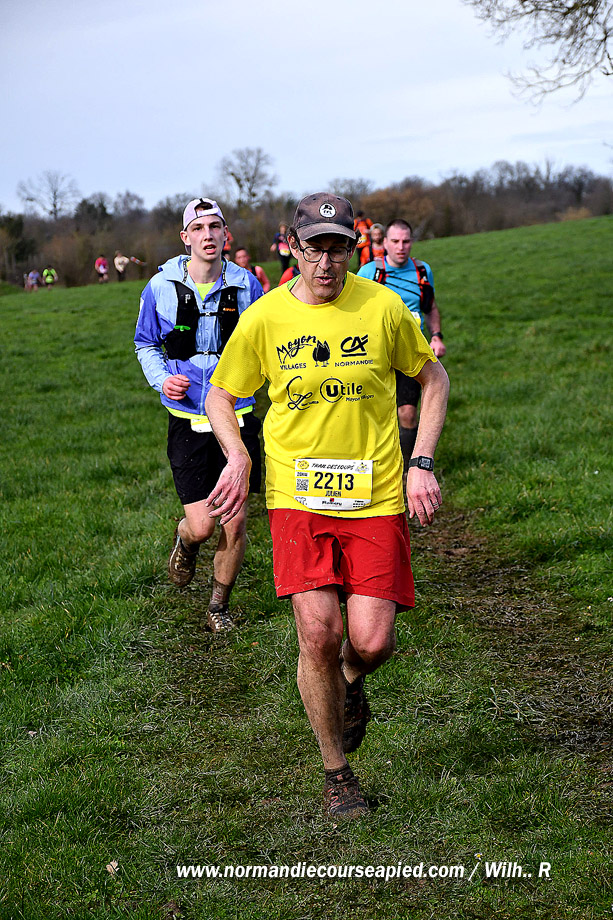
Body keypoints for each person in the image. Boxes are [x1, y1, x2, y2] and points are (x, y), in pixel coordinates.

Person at [204, 193, 449, 817]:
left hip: (374, 494)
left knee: (373, 641)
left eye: (339, 250)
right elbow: (221, 395)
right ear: (294, 247)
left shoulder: (382, 306)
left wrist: (420, 462)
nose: (326, 263)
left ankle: (348, 680)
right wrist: (238, 457)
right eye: (315, 249)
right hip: (298, 496)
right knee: (318, 633)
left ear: (352, 251)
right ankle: (337, 772)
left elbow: (433, 378)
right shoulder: (265, 318)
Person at [134, 197, 264, 632]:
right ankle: (186, 540)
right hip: (187, 417)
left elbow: (266, 343)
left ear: (226, 234)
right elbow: (145, 343)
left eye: (215, 227)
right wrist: (161, 380)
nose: (208, 235)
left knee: (236, 519)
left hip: (236, 413)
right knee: (203, 525)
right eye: (199, 228)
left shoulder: (247, 285)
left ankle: (217, 607)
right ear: (185, 237)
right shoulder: (159, 287)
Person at [358, 219, 447, 471]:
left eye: (406, 241)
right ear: (384, 242)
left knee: (407, 413)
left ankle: (408, 471)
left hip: (411, 351)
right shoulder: (369, 272)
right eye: (395, 241)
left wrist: (436, 336)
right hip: (375, 353)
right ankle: (371, 466)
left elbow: (430, 307)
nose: (401, 247)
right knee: (374, 414)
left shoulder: (422, 271)